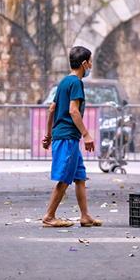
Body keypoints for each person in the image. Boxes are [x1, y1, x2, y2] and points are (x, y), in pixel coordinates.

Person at [41, 46, 103, 228]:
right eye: (90, 61)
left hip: (66, 137)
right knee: (65, 178)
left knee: (80, 177)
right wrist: (86, 134)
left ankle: (85, 216)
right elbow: (73, 110)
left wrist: (48, 134)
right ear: (84, 63)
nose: (91, 65)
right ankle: (49, 216)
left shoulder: (63, 82)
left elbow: (52, 109)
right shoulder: (76, 83)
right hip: (68, 137)